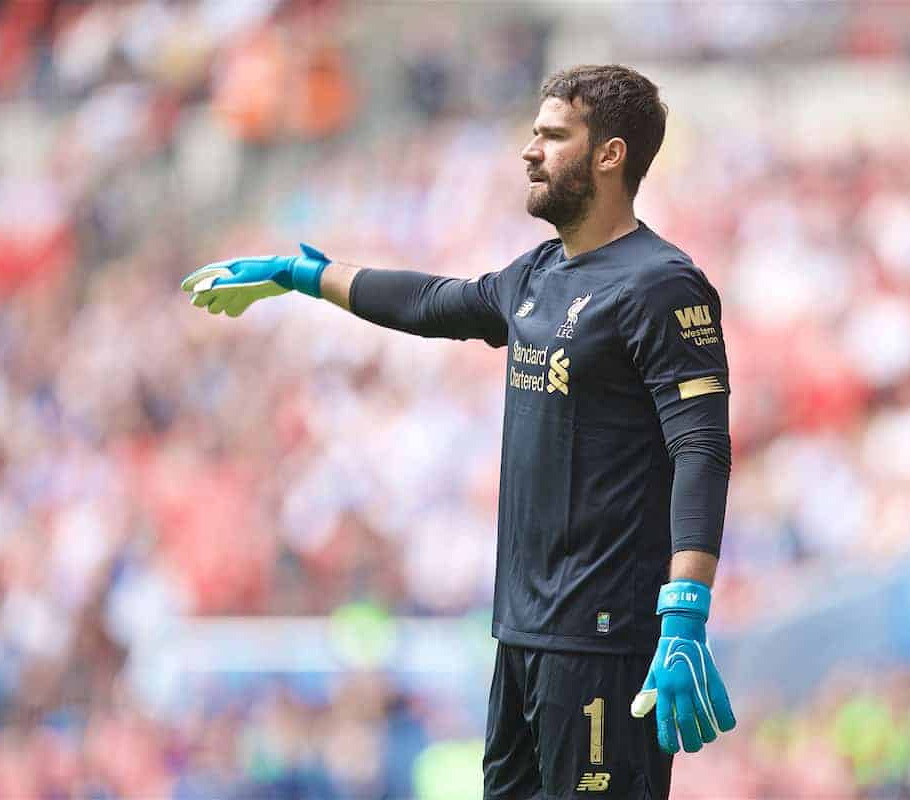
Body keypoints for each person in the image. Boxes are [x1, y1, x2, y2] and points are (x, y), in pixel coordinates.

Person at [182, 64, 736, 800]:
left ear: (610, 155)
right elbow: (436, 303)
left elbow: (701, 445)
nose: (529, 151)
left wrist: (685, 613)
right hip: (522, 634)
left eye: (552, 135)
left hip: (605, 639)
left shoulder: (661, 284)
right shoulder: (540, 272)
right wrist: (304, 275)